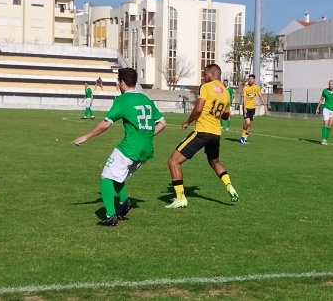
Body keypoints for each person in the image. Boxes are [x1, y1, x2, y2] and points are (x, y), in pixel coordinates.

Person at [73, 68, 167, 226]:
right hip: (146, 150)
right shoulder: (146, 99)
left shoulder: (123, 100)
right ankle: (125, 202)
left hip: (129, 148)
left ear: (122, 83)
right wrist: (146, 136)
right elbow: (163, 123)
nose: (118, 85)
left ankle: (110, 216)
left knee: (106, 177)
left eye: (118, 82)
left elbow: (106, 124)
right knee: (118, 176)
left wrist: (85, 136)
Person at [164, 64, 239, 209]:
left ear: (212, 74)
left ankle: (180, 198)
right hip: (216, 134)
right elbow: (226, 115)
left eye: (205, 75)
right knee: (214, 162)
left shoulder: (206, 87)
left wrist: (188, 121)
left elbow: (198, 109)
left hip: (202, 131)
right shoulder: (226, 93)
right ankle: (229, 186)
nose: (204, 78)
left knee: (173, 161)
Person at [240, 74, 267, 144]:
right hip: (247, 108)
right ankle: (242, 135)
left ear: (254, 80)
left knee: (250, 124)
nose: (250, 80)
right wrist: (244, 108)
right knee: (247, 122)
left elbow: (261, 96)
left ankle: (245, 138)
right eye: (249, 79)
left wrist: (265, 105)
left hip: (253, 108)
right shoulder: (245, 88)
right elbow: (244, 99)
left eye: (251, 79)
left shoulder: (256, 87)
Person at [315, 79, 333, 145]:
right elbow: (321, 100)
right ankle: (323, 139)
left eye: (332, 84)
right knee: (325, 123)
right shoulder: (325, 91)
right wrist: (317, 108)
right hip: (326, 109)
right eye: (329, 84)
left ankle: (325, 139)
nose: (330, 85)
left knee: (329, 125)